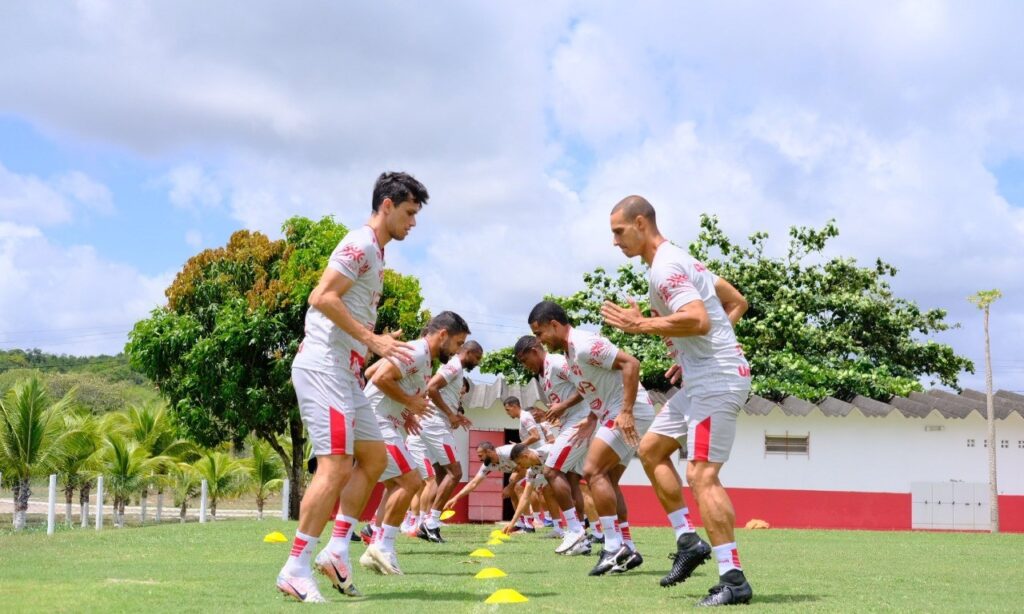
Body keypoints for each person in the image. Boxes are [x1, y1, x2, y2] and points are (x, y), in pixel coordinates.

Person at [277, 172, 428, 603]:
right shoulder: (360, 242)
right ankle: (295, 567)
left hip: (347, 372)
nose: (413, 223)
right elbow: (321, 296)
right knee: (336, 466)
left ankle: (338, 550)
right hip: (324, 367)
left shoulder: (377, 253)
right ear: (387, 205)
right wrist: (373, 340)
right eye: (409, 213)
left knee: (374, 458)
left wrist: (372, 342)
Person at [601, 195, 753, 607]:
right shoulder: (681, 259)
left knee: (702, 475)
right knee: (650, 450)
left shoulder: (666, 267)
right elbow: (735, 302)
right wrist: (695, 353)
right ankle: (689, 541)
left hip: (716, 382)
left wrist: (641, 323)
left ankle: (733, 578)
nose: (615, 241)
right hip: (703, 378)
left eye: (618, 231)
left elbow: (699, 318)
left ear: (640, 223)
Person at [528, 301, 656, 576]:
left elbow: (631, 363)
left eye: (540, 334)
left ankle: (612, 547)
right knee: (607, 479)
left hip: (628, 411)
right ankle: (626, 546)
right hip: (611, 413)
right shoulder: (572, 354)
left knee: (591, 470)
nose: (540, 341)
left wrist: (626, 411)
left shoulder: (584, 344)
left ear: (554, 324)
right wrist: (592, 418)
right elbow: (596, 389)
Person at [357, 312, 471, 575]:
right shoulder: (419, 352)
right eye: (457, 343)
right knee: (413, 482)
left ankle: (376, 546)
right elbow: (379, 378)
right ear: (443, 335)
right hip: (377, 422)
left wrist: (405, 413)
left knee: (394, 485)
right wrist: (408, 403)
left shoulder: (422, 357)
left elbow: (372, 370)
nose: (456, 352)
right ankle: (382, 547)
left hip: (383, 421)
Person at [513, 335, 590, 553]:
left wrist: (562, 407)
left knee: (551, 471)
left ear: (535, 351)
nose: (526, 367)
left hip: (581, 423)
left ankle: (575, 531)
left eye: (525, 360)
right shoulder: (544, 374)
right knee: (573, 480)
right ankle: (582, 538)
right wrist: (548, 415)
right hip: (570, 423)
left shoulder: (556, 363)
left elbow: (586, 385)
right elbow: (562, 405)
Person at [412, 341, 482, 543]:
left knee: (442, 474)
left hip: (436, 423)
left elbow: (439, 393)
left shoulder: (457, 370)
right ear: (468, 352)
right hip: (435, 425)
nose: (477, 363)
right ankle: (430, 522)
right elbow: (432, 388)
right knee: (456, 472)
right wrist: (451, 414)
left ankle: (427, 521)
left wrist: (455, 417)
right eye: (476, 358)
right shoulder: (454, 366)